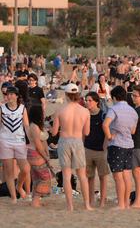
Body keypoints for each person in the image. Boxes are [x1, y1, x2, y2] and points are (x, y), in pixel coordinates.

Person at [51, 83, 92, 211]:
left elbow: (53, 132)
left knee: (66, 176)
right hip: (78, 141)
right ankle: (87, 205)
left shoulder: (60, 110)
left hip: (64, 141)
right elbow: (86, 132)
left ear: (66, 94)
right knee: (82, 176)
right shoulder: (85, 111)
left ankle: (70, 206)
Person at [103, 86, 138, 209]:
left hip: (117, 145)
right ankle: (126, 203)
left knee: (118, 177)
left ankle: (121, 204)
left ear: (114, 97)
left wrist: (109, 136)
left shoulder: (114, 109)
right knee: (127, 175)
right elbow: (133, 131)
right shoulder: (133, 111)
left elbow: (105, 124)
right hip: (129, 145)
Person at [0, 86, 30, 203]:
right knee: (9, 170)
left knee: (25, 169)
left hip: (19, 142)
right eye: (8, 94)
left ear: (17, 96)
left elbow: (26, 126)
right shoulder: (2, 108)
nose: (10, 96)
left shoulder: (22, 108)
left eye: (12, 94)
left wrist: (31, 140)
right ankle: (13, 196)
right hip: (5, 141)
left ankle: (19, 186)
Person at [83, 92, 110, 207]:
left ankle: (103, 201)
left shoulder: (103, 115)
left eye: (90, 100)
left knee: (103, 177)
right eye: (86, 100)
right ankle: (91, 200)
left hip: (101, 151)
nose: (87, 102)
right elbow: (83, 133)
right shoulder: (85, 115)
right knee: (89, 177)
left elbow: (107, 132)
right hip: (87, 149)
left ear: (96, 102)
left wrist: (105, 148)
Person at [26, 104, 51, 207]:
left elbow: (43, 141)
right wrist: (45, 157)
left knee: (37, 177)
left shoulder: (35, 125)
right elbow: (38, 144)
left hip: (33, 153)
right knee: (45, 178)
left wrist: (47, 155)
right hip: (36, 154)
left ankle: (35, 200)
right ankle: (36, 200)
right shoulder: (34, 127)